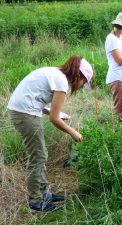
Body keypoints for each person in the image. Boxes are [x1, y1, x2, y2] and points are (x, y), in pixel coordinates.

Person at [7, 56, 93, 212]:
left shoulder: (54, 72)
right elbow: (54, 119)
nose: (81, 86)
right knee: (38, 156)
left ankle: (44, 193)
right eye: (83, 83)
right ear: (78, 75)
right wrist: (74, 133)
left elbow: (36, 99)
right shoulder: (61, 82)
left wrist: (58, 115)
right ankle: (35, 202)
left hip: (23, 110)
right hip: (25, 113)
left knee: (41, 154)